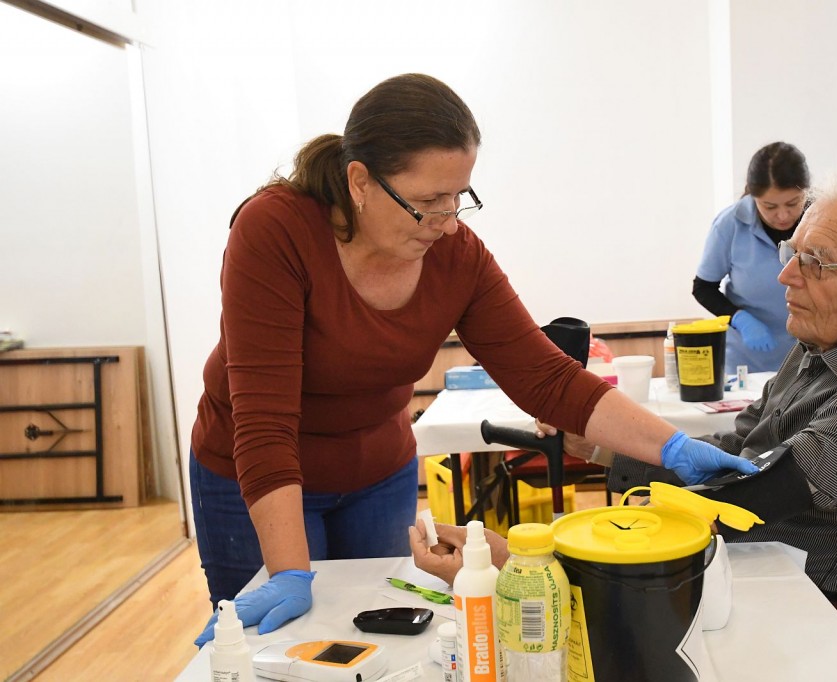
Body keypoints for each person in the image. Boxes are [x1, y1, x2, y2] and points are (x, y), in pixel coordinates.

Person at [189, 73, 758, 646]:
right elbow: (264, 418)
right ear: (360, 181)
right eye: (426, 203)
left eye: (458, 197)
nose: (448, 221)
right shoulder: (277, 229)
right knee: (270, 647)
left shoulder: (454, 254)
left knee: (370, 639)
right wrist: (289, 571)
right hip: (257, 476)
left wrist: (672, 446)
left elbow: (547, 378)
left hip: (375, 471)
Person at [413, 168, 837, 656]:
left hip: (811, 614)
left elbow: (743, 500)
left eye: (815, 263)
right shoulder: (821, 350)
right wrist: (604, 446)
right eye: (792, 252)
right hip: (749, 583)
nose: (785, 276)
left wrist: (524, 562)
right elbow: (736, 455)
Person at [692, 141, 809, 373]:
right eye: (770, 206)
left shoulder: (822, 222)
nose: (783, 215)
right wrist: (740, 319)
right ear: (753, 196)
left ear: (806, 192)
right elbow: (703, 288)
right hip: (748, 361)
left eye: (793, 203)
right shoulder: (730, 225)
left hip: (809, 355)